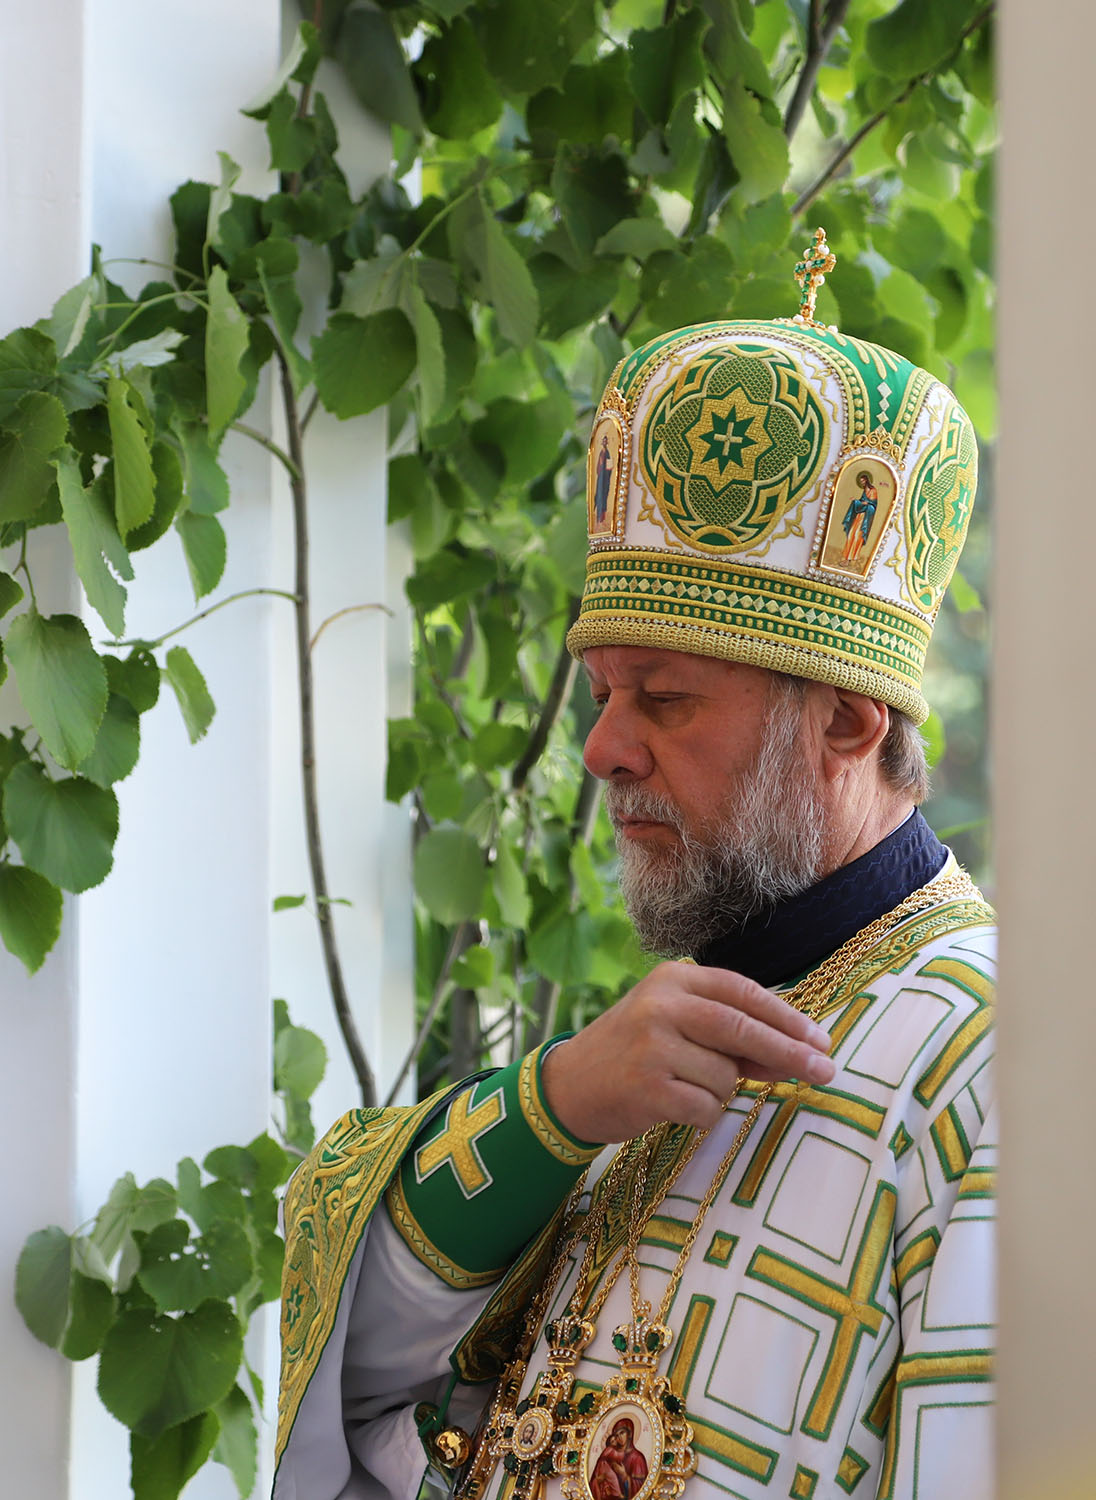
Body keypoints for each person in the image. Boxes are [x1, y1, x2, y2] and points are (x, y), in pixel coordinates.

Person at [273, 246, 993, 1500]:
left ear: (845, 720)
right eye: (604, 693)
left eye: (663, 698)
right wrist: (549, 1108)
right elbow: (366, 1380)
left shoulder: (990, 1062)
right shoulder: (638, 1060)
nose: (602, 748)